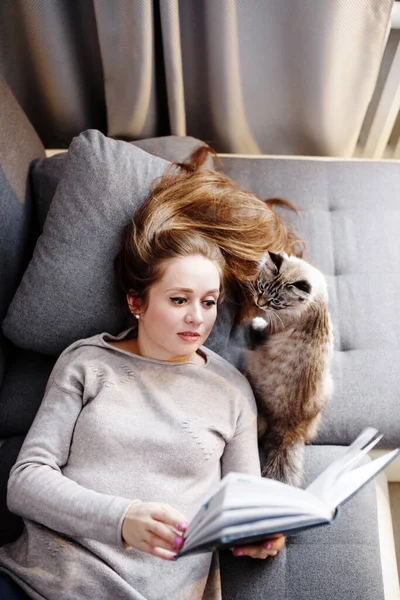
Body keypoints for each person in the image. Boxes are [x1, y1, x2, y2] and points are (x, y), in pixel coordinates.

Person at [0, 156, 298, 600]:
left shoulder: (231, 390)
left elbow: (242, 511)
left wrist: (255, 538)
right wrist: (121, 520)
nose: (198, 318)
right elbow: (25, 481)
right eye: (179, 299)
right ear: (137, 302)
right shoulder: (86, 362)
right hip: (36, 582)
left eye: (209, 301)